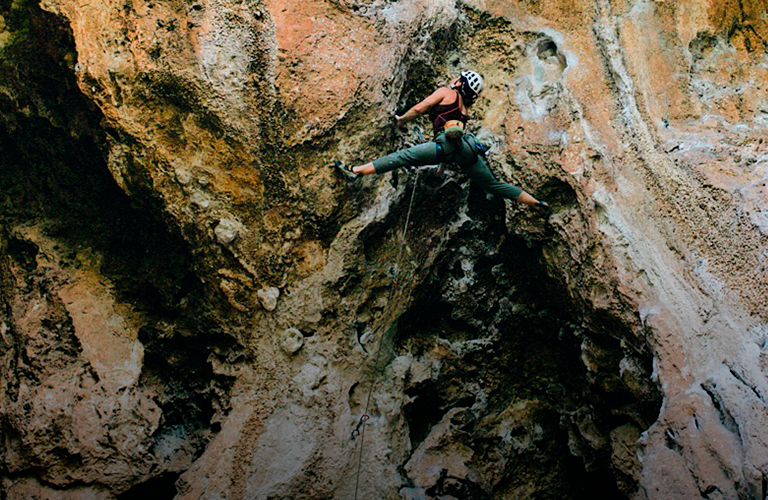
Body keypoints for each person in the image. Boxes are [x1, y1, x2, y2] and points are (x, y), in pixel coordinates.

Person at [334, 70, 549, 210]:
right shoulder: (464, 109)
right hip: (466, 151)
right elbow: (452, 150)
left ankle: (356, 171)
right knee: (493, 184)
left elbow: (421, 108)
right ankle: (535, 201)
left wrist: (401, 120)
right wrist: (440, 170)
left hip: (445, 145)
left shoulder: (447, 92)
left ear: (460, 82)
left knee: (403, 157)